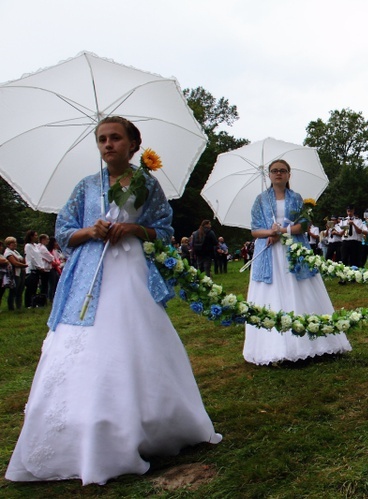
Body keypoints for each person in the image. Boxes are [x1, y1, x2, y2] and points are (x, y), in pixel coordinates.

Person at [5, 116, 221, 486]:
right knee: (85, 344)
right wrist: (91, 230)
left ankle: (149, 422)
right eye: (102, 139)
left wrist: (135, 228)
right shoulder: (85, 187)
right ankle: (85, 426)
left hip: (130, 271)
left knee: (131, 336)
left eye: (116, 138)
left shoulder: (146, 184)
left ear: (133, 145)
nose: (108, 144)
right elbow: (63, 231)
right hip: (90, 274)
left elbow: (165, 231)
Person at [243, 159, 352, 364]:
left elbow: (302, 226)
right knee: (273, 294)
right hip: (269, 253)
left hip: (294, 250)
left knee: (300, 290)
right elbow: (255, 230)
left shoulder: (296, 198)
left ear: (289, 175)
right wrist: (270, 232)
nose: (278, 174)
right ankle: (276, 348)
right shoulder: (260, 200)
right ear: (269, 174)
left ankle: (312, 343)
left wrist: (282, 231)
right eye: (275, 171)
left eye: (282, 171)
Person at [337, 205, 367, 274]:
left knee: (354, 259)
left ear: (353, 211)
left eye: (351, 211)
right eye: (348, 211)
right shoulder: (343, 221)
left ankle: (353, 275)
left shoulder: (358, 220)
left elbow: (359, 231)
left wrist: (353, 224)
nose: (349, 213)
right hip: (346, 241)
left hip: (355, 242)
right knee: (344, 259)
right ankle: (343, 275)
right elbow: (341, 233)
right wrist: (346, 226)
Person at [4, 236, 27, 311]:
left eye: (15, 242)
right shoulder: (8, 252)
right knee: (14, 290)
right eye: (13, 243)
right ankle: (11, 307)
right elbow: (15, 263)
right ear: (8, 244)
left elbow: (22, 260)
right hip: (14, 273)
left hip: (20, 272)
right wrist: (24, 265)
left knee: (20, 289)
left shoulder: (16, 252)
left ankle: (19, 305)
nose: (15, 244)